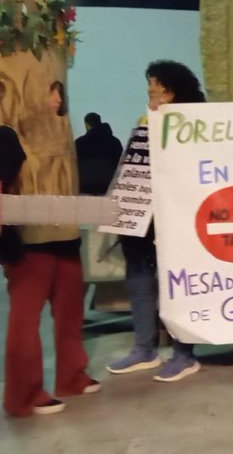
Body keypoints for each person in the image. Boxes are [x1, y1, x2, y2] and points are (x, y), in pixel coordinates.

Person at [107, 61, 207, 382]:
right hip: (140, 215)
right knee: (138, 278)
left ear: (172, 88)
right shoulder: (145, 118)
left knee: (177, 284)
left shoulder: (192, 121)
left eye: (156, 83)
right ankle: (144, 349)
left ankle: (184, 353)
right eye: (150, 82)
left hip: (176, 216)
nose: (151, 87)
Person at [1, 123, 98, 416]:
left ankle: (72, 376)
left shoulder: (61, 134)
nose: (56, 97)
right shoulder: (7, 134)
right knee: (26, 319)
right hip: (29, 241)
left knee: (70, 309)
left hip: (63, 234)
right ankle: (23, 396)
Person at [75, 111, 124, 196]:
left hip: (86, 188)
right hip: (108, 188)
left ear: (86, 124)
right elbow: (121, 164)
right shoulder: (115, 142)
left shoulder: (80, 143)